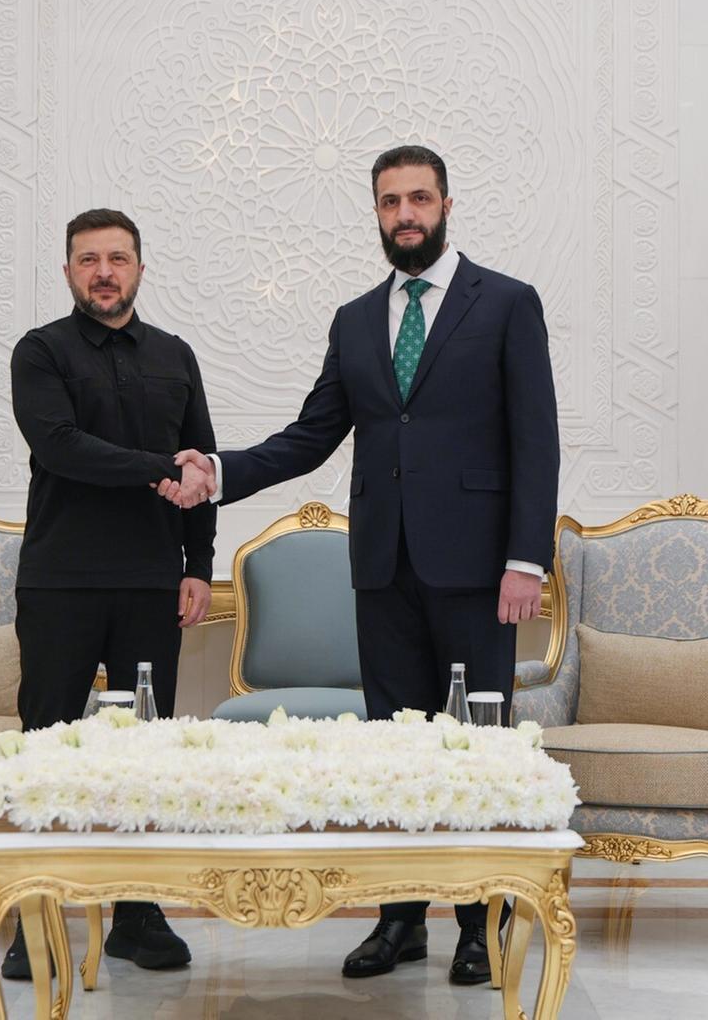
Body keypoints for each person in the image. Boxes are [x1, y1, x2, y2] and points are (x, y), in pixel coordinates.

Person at [160, 145, 559, 985]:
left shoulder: (507, 303)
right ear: (376, 212)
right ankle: (399, 919)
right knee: (394, 751)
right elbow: (311, 436)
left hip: (479, 571)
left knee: (475, 751)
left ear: (446, 204)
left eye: (419, 198)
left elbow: (536, 439)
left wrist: (526, 560)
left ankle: (479, 925)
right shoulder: (354, 320)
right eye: (390, 201)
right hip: (381, 568)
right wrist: (220, 472)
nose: (405, 214)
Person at [5, 207, 217, 977]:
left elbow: (204, 463)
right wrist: (162, 467)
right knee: (48, 748)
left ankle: (137, 913)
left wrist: (198, 564)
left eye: (117, 258)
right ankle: (34, 918)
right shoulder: (41, 352)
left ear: (139, 269)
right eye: (89, 259)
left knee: (142, 753)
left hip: (151, 583)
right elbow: (62, 448)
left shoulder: (174, 355)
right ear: (68, 272)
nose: (104, 272)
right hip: (60, 581)